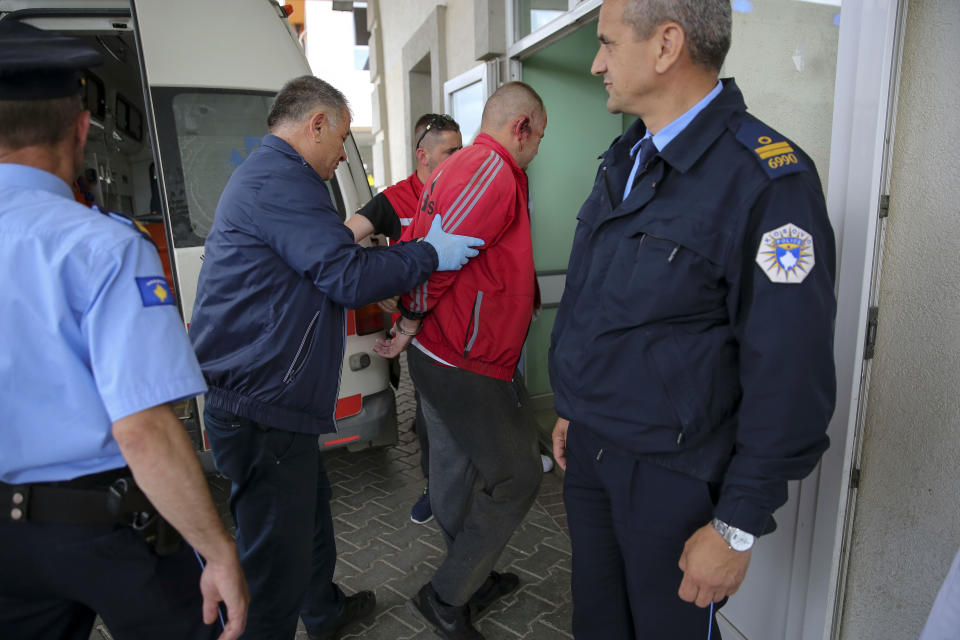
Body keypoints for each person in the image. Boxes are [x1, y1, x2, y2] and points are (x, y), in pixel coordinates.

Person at [548, 1, 837, 638]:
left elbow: (790, 375)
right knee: (598, 626)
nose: (597, 62)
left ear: (666, 45)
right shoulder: (627, 158)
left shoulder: (766, 180)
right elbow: (603, 305)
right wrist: (576, 404)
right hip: (595, 454)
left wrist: (735, 526)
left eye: (607, 43)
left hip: (672, 478)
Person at [188, 75, 483, 640]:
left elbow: (326, 257)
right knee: (275, 563)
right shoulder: (281, 181)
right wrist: (427, 253)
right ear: (315, 124)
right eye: (341, 137)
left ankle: (323, 612)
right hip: (261, 405)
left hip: (270, 400)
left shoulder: (274, 175)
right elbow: (345, 275)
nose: (342, 152)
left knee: (310, 516)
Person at [0, 20, 248, 640]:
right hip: (104, 526)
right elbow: (142, 428)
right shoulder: (105, 247)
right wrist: (217, 551)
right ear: (81, 129)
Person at [373, 81, 548, 640]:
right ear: (520, 127)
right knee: (517, 477)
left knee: (459, 473)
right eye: (539, 137)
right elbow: (438, 261)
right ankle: (446, 597)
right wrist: (409, 320)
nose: (538, 149)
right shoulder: (489, 169)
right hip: (464, 359)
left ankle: (470, 576)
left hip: (448, 353)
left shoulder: (466, 166)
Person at [346, 112, 463, 525]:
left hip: (466, 326)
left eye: (461, 149)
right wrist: (381, 284)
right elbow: (342, 241)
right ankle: (435, 489)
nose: (459, 158)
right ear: (423, 155)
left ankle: (467, 487)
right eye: (451, 151)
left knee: (465, 416)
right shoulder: (395, 199)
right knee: (430, 418)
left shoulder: (468, 193)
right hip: (419, 332)